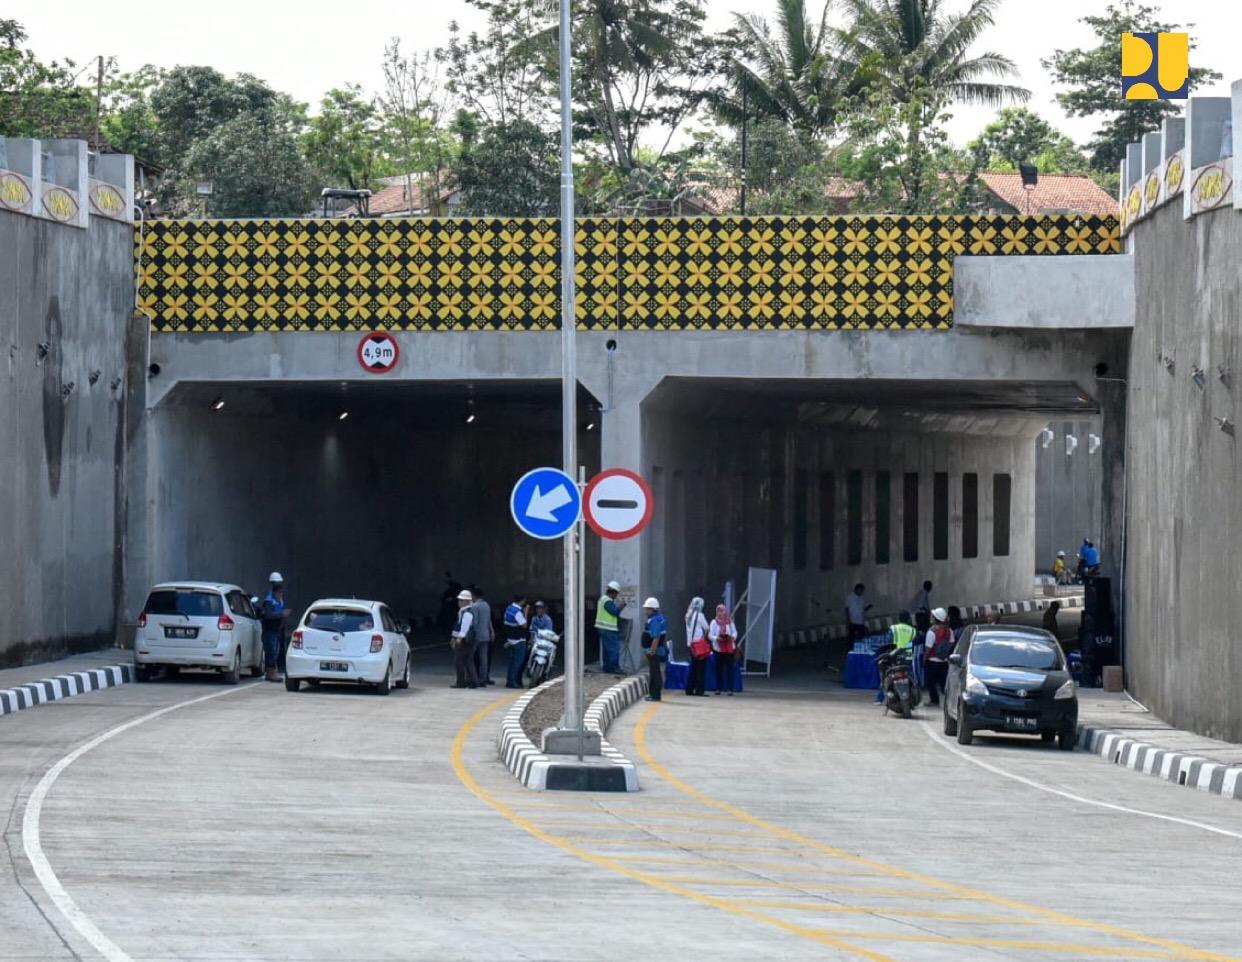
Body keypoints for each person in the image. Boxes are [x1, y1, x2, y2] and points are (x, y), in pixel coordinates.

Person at [877, 610, 918, 704]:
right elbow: (913, 644)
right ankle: (913, 696)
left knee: (885, 676)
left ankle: (880, 698)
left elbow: (887, 642)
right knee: (910, 676)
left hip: (893, 655)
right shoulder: (913, 630)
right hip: (907, 656)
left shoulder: (893, 628)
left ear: (899, 619)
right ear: (908, 619)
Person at [259, 572, 288, 683]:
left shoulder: (278, 600)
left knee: (274, 652)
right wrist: (281, 615)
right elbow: (268, 615)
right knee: (271, 652)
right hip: (270, 630)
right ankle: (271, 673)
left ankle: (272, 672)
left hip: (276, 630)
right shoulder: (269, 601)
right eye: (280, 592)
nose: (281, 594)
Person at [924, 607, 954, 707]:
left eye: (932, 616)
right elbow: (951, 644)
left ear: (935, 618)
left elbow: (928, 648)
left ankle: (934, 700)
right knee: (944, 683)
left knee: (930, 682)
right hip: (944, 661)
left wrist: (924, 659)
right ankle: (948, 701)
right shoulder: (949, 631)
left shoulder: (931, 631)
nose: (930, 617)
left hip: (932, 661)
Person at [595, 581, 626, 675]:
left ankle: (607, 668)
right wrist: (621, 606)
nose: (616, 596)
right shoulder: (607, 601)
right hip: (608, 628)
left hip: (603, 628)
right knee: (614, 649)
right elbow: (614, 612)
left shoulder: (603, 599)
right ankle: (614, 669)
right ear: (613, 592)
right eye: (616, 594)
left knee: (607, 649)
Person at [450, 590, 479, 689]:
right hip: (464, 640)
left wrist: (458, 639)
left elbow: (464, 628)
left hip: (464, 641)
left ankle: (462, 682)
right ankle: (472, 681)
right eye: (459, 600)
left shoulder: (467, 613)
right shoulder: (463, 611)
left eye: (461, 600)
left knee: (460, 661)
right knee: (467, 661)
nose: (459, 602)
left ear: (467, 601)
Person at [641, 597, 668, 702]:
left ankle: (656, 695)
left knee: (655, 672)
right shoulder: (658, 618)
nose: (645, 610)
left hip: (654, 651)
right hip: (655, 650)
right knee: (653, 672)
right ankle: (652, 694)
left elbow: (656, 637)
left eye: (647, 608)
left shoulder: (655, 621)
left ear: (652, 609)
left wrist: (652, 651)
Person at [710, 604, 739, 696]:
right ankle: (718, 688)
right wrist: (716, 638)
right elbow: (710, 635)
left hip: (729, 649)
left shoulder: (730, 622)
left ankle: (730, 689)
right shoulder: (714, 622)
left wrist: (732, 637)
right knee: (718, 669)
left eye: (723, 611)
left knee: (729, 669)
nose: (721, 613)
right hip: (718, 649)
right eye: (719, 611)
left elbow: (735, 632)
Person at [684, 597, 710, 696]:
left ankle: (689, 689)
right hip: (699, 645)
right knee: (700, 669)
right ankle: (700, 690)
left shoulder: (687, 615)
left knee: (693, 668)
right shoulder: (699, 615)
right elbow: (707, 628)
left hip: (691, 645)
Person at [503, 593, 529, 689]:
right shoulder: (517, 612)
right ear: (522, 600)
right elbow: (524, 625)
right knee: (517, 662)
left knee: (511, 662)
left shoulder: (509, 608)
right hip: (518, 640)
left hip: (510, 639)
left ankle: (509, 680)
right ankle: (512, 681)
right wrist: (526, 613)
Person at [470, 587, 495, 686]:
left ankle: (473, 678)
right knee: (484, 658)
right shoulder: (486, 605)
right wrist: (492, 631)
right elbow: (489, 620)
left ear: (474, 595)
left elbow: (474, 622)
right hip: (486, 634)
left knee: (470, 657)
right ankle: (483, 678)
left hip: (477, 635)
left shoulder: (475, 606)